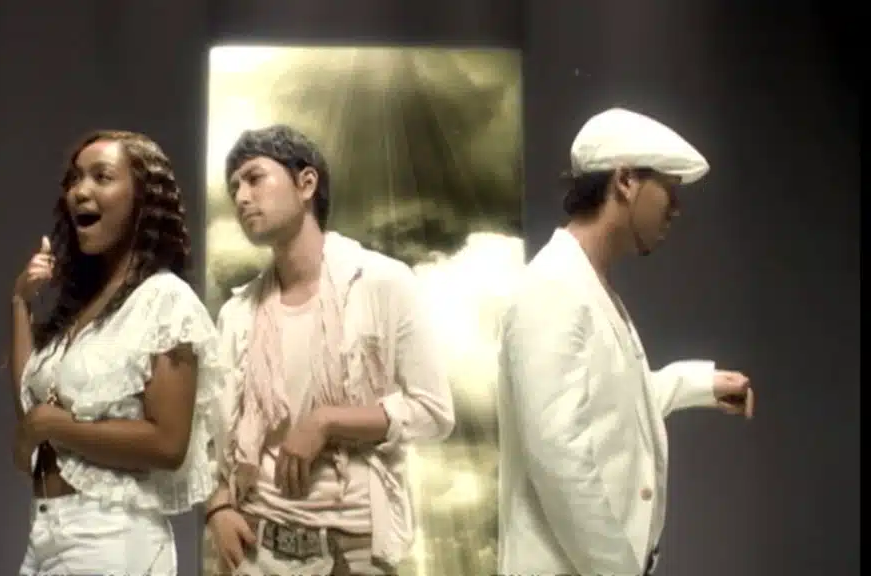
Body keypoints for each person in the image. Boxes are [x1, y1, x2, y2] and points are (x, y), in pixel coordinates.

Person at [496, 108, 757, 576]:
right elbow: (559, 456)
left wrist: (699, 385)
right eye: (668, 189)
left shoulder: (583, 284)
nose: (675, 208)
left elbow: (610, 405)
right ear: (625, 181)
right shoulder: (553, 289)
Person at [203, 124, 455, 576]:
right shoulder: (238, 313)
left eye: (254, 178)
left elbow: (433, 411)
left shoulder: (383, 283)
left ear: (306, 184)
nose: (241, 197)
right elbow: (212, 434)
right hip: (255, 547)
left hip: (352, 548)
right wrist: (218, 507)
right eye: (234, 187)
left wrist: (327, 420)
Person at [7, 130, 221, 575]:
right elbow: (31, 403)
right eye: (75, 178)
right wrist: (20, 303)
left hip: (112, 538)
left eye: (101, 177)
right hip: (45, 530)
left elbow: (168, 443)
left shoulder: (165, 300)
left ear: (143, 200)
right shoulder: (85, 308)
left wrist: (55, 426)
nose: (79, 191)